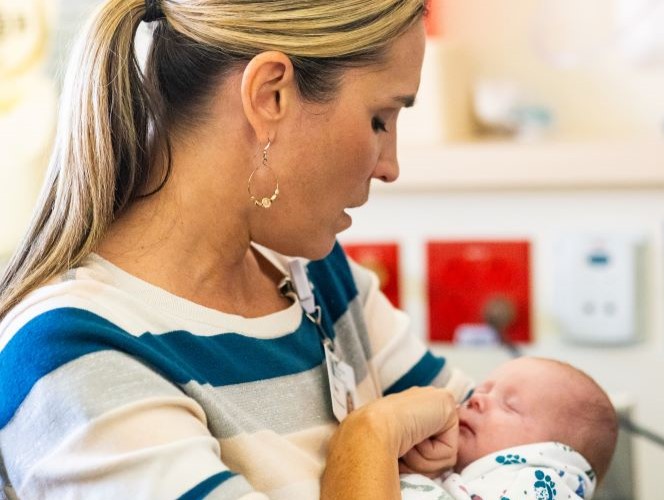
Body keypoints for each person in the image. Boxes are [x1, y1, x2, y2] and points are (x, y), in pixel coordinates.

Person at [0, 1, 474, 498]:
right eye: (380, 119)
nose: (390, 166)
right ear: (270, 95)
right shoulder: (76, 355)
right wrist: (367, 437)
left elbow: (514, 446)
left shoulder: (322, 282)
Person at [400, 357, 619, 500]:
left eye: (509, 406)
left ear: (555, 453)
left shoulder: (537, 486)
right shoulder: (459, 473)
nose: (476, 399)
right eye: (482, 390)